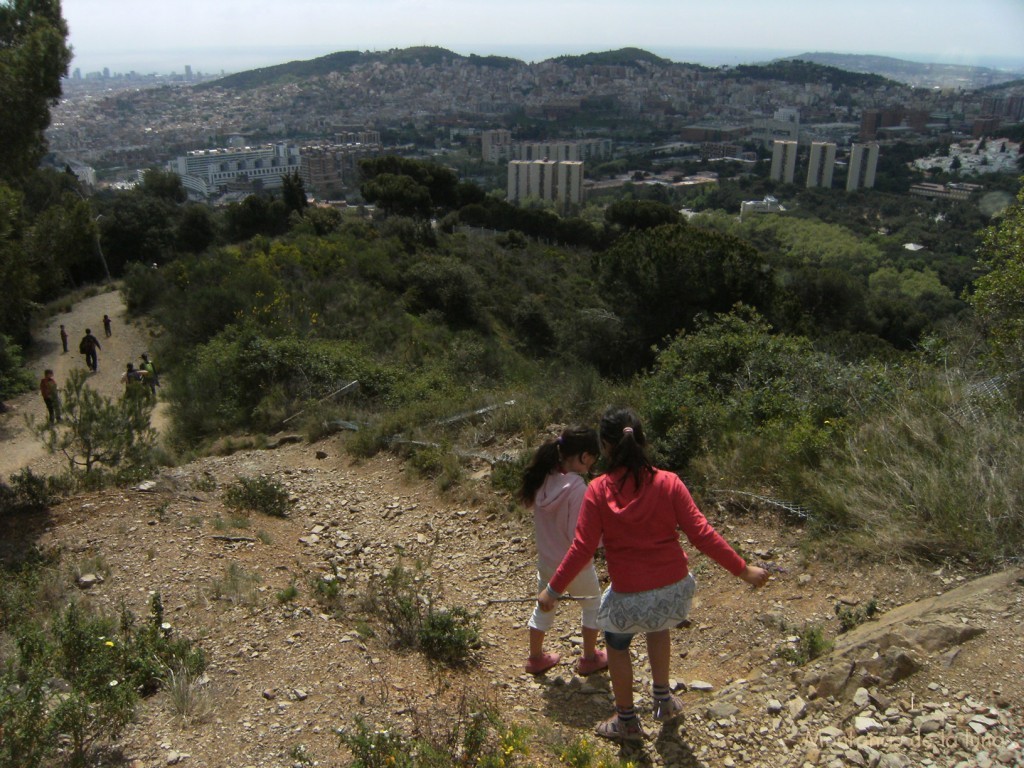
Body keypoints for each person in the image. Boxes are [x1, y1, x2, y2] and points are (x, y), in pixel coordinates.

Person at [537, 408, 769, 743]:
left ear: (604, 446)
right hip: (673, 592)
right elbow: (702, 534)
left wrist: (553, 591)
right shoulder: (669, 482)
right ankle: (662, 699)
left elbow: (582, 549)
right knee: (657, 627)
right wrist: (743, 570)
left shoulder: (598, 490)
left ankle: (627, 720)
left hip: (630, 595)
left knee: (616, 643)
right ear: (642, 440)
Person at [519, 425, 606, 676]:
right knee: (592, 605)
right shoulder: (577, 487)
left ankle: (535, 658)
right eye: (593, 459)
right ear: (584, 457)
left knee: (544, 605)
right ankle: (589, 657)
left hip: (547, 560)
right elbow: (579, 534)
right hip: (573, 564)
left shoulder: (543, 477)